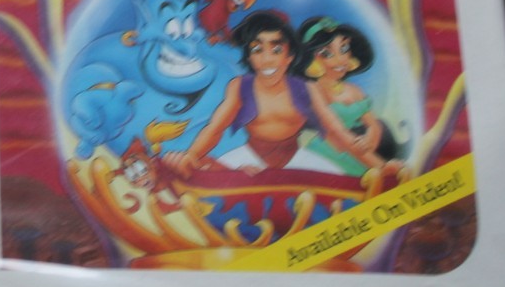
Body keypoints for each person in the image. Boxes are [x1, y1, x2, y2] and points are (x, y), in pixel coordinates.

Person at [172, 11, 381, 177]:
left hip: (297, 159)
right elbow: (215, 129)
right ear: (249, 57)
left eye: (277, 50)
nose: (267, 59)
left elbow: (338, 133)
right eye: (257, 50)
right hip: (248, 158)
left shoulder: (306, 89)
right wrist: (192, 155)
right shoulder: (240, 86)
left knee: (338, 183)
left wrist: (381, 166)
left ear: (290, 56)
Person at [294, 16, 405, 179]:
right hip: (331, 151)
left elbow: (373, 124)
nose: (341, 59)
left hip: (362, 149)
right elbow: (336, 132)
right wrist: (380, 166)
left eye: (344, 48)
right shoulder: (313, 90)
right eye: (326, 53)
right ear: (311, 60)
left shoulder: (354, 90)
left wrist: (369, 140)